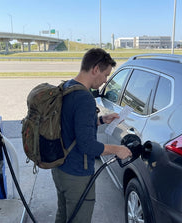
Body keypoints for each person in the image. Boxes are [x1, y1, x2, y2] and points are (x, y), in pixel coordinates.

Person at [52, 48, 132, 223]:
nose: (105, 81)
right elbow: (88, 145)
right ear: (95, 69)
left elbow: (71, 125)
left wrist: (101, 120)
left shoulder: (67, 87)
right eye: (105, 75)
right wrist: (117, 149)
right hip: (76, 173)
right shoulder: (85, 98)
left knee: (63, 215)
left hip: (59, 169)